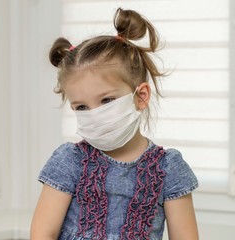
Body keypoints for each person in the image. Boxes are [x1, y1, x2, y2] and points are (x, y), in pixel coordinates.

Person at [30, 8, 199, 240]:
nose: (95, 114)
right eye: (81, 107)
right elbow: (42, 233)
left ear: (141, 96)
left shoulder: (168, 169)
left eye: (107, 100)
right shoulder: (70, 161)